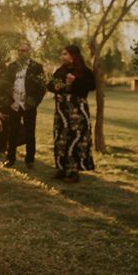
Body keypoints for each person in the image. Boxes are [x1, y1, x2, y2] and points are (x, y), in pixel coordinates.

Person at [47, 45, 96, 182]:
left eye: (65, 54)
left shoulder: (84, 72)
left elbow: (91, 86)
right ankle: (62, 168)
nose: (62, 57)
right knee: (61, 139)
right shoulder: (60, 71)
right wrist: (58, 86)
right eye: (62, 54)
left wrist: (75, 82)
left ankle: (73, 172)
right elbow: (50, 86)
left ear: (73, 56)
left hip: (78, 111)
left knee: (76, 139)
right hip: (62, 112)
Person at [3, 42, 46, 169]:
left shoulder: (36, 67)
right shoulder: (12, 66)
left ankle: (30, 160)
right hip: (14, 104)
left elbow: (42, 87)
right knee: (12, 132)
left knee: (30, 132)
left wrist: (34, 101)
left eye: (24, 51)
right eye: (19, 50)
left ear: (29, 52)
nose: (21, 53)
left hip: (29, 105)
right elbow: (5, 85)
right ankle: (10, 159)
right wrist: (9, 102)